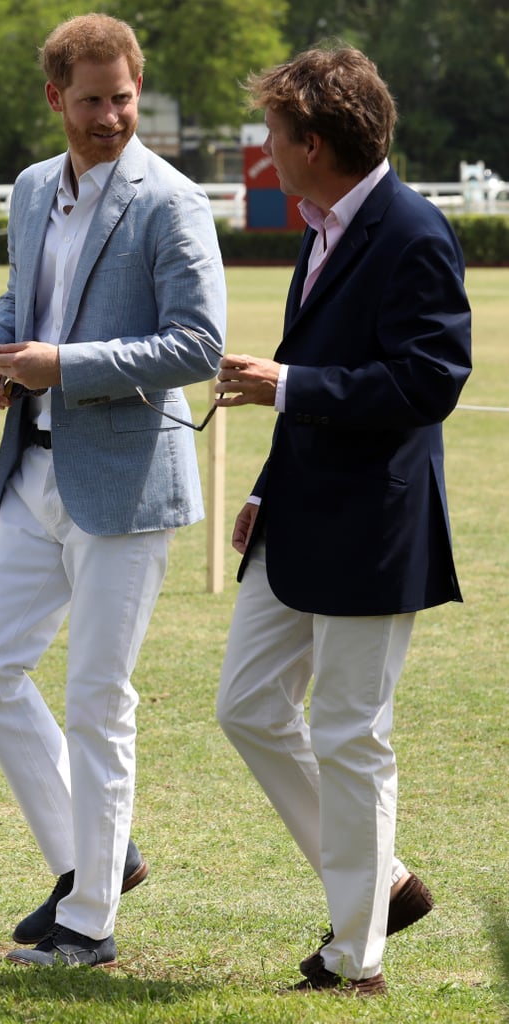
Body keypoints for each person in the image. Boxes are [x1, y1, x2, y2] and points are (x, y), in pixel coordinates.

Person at [0, 12, 226, 969]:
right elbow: (21, 299)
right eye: (93, 98)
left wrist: (61, 363)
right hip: (32, 472)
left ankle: (90, 925)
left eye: (124, 97)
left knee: (99, 701)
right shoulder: (31, 188)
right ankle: (93, 858)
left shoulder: (172, 200)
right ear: (56, 96)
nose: (111, 116)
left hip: (127, 479)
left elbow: (196, 345)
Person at [215, 46, 471, 995]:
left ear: (313, 143)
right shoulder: (320, 225)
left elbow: (429, 381)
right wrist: (263, 490)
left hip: (375, 530)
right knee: (246, 707)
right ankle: (387, 883)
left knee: (351, 735)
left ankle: (355, 960)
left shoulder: (412, 232)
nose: (268, 152)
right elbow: (317, 382)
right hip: (299, 516)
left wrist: (287, 383)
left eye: (275, 136)